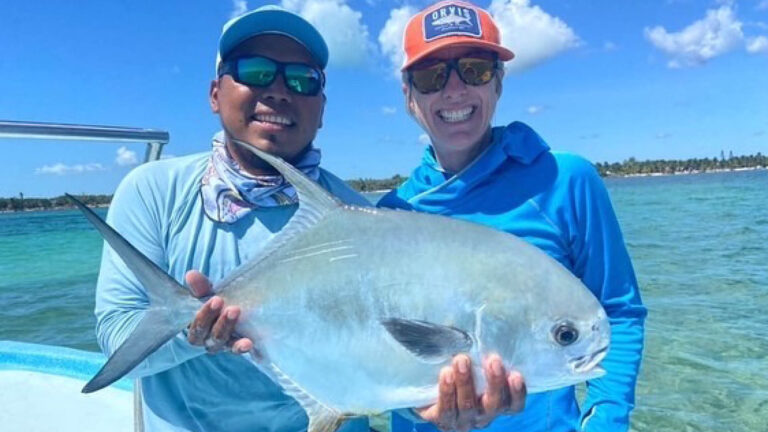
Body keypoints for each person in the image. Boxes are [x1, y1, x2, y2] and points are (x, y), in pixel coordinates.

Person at [94, 5, 523, 431]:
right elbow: (118, 334)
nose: (279, 91)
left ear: (321, 108)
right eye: (255, 71)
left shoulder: (360, 218)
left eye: (302, 80)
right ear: (214, 93)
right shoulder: (153, 191)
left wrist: (439, 401)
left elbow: (384, 355)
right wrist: (192, 332)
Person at [379, 2, 647, 432]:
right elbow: (380, 350)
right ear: (409, 97)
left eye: (475, 69)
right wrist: (416, 409)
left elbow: (618, 311)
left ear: (498, 83)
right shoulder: (392, 213)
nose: (454, 90)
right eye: (432, 77)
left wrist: (606, 422)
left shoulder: (565, 180)